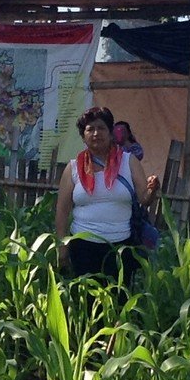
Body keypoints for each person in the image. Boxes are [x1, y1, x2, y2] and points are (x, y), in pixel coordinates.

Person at [53, 105, 159, 281]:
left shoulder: (128, 162)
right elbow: (62, 211)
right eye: (90, 129)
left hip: (120, 249)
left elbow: (144, 199)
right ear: (83, 136)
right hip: (82, 248)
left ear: (111, 133)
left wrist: (152, 189)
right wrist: (62, 249)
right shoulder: (73, 168)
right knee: (85, 296)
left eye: (101, 128)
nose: (96, 133)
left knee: (120, 296)